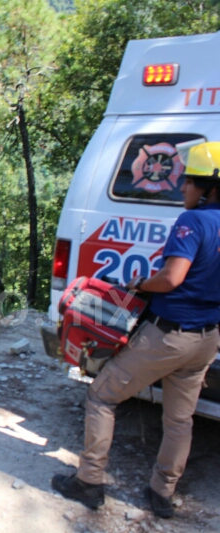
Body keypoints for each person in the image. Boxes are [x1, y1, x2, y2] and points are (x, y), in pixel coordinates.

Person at [52, 141, 220, 518]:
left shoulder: (194, 221)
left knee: (101, 395)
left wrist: (142, 283)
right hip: (207, 338)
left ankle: (89, 481)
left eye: (189, 183)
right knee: (180, 418)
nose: (184, 191)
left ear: (207, 187)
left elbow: (172, 277)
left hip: (169, 335)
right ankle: (163, 492)